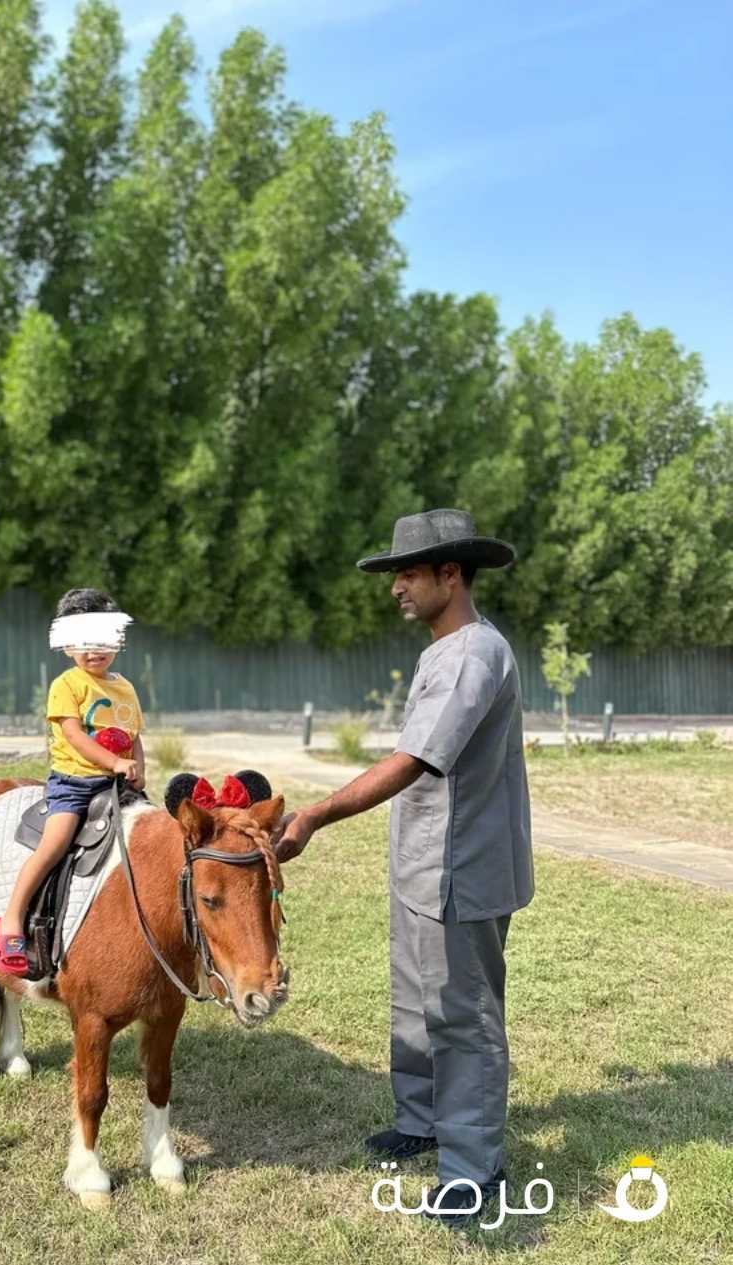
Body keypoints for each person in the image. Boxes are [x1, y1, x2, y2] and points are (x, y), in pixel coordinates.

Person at [274, 508, 534, 1229]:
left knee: (462, 1015)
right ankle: (422, 1119)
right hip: (422, 862)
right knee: (415, 999)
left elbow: (415, 759)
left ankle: (473, 1169)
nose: (396, 587)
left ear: (451, 574)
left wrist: (317, 813)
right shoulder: (438, 651)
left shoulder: (476, 654)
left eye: (408, 573)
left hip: (464, 867)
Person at [0, 587, 146, 976]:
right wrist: (113, 761)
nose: (94, 651)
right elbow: (74, 734)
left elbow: (134, 734)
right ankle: (12, 918)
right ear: (66, 644)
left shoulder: (125, 687)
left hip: (119, 785)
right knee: (55, 843)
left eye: (103, 640)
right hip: (75, 784)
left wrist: (138, 767)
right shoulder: (67, 685)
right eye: (83, 642)